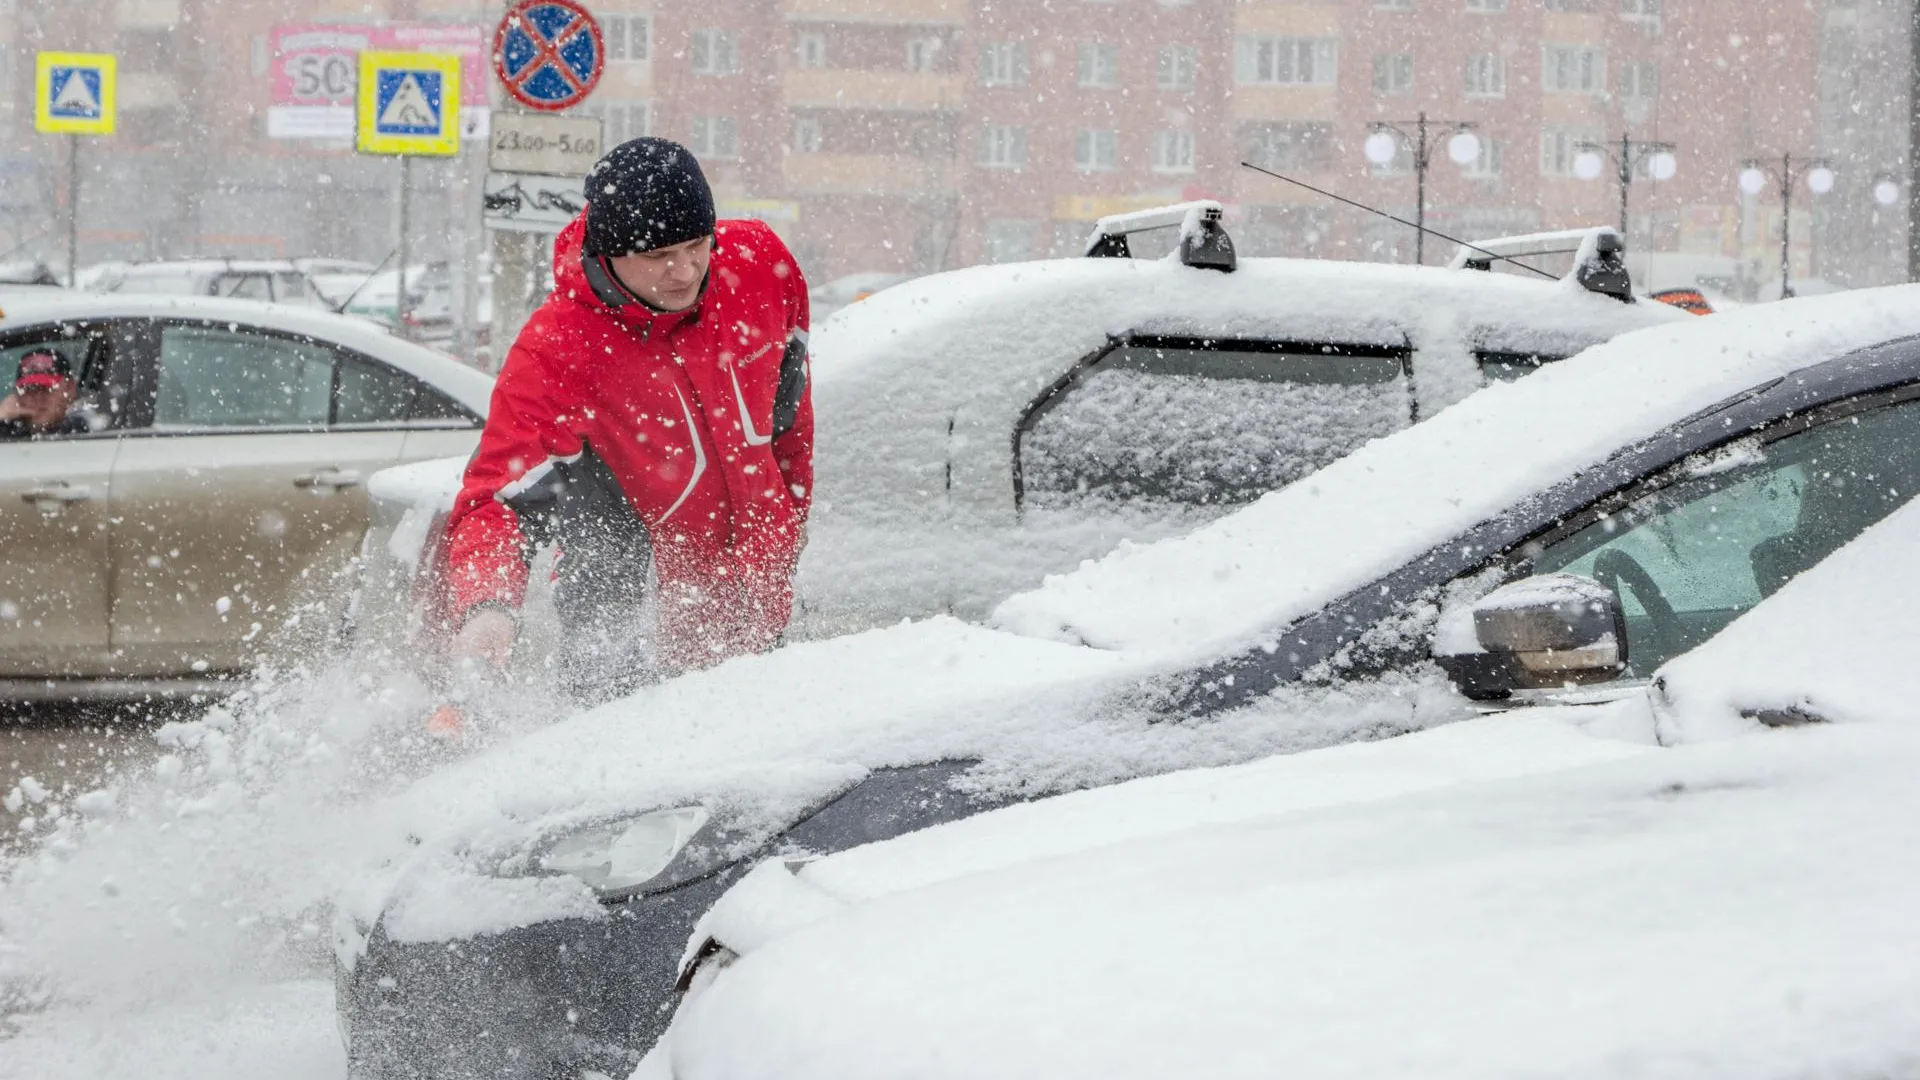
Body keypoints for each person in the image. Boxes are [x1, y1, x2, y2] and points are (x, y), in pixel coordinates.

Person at [442, 137, 813, 699]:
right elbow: (495, 499)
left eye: (695, 245)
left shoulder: (762, 267)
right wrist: (489, 607)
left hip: (761, 598)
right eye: (659, 255)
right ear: (609, 252)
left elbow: (788, 409)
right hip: (628, 622)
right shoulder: (558, 349)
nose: (685, 270)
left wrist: (792, 513)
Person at [0, 349, 90, 439]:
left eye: (48, 389)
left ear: (69, 389)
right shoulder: (9, 427)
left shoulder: (88, 427)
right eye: (30, 389)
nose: (38, 398)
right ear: (16, 396)